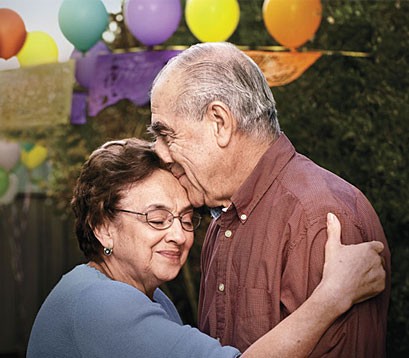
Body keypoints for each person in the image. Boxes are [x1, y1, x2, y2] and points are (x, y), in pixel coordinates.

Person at [26, 138, 385, 358]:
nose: (179, 235)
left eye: (185, 218)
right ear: (103, 228)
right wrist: (334, 295)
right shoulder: (101, 305)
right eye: (157, 218)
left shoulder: (147, 296)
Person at [149, 42, 391, 356]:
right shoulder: (222, 222)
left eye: (166, 135)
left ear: (220, 123)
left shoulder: (319, 218)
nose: (158, 152)